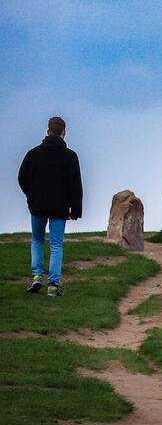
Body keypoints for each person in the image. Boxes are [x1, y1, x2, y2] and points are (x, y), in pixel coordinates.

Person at [18, 117, 82, 297]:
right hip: (59, 208)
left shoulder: (33, 154)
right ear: (64, 132)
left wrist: (30, 195)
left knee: (37, 239)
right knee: (56, 244)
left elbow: (22, 178)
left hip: (37, 205)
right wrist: (75, 209)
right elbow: (75, 185)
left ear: (47, 131)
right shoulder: (70, 156)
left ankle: (37, 275)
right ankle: (53, 285)